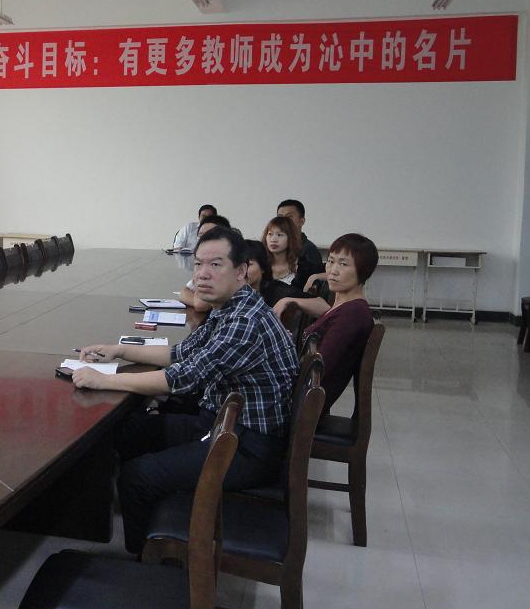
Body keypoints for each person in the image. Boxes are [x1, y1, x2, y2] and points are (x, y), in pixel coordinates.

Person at [74, 227, 298, 554]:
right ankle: (128, 514)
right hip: (222, 425)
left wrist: (104, 381)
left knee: (137, 476)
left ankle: (147, 561)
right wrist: (118, 350)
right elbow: (180, 353)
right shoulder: (231, 307)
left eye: (216, 265)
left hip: (247, 447)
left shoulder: (245, 322)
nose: (202, 274)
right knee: (129, 429)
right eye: (198, 264)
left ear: (241, 271)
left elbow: (181, 378)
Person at [274, 233, 378, 414]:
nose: (333, 270)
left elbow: (317, 368)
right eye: (330, 261)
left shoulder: (352, 314)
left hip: (298, 408)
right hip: (299, 399)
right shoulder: (345, 307)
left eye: (343, 264)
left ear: (364, 270)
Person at [277, 199, 324, 276]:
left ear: (301, 221)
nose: (284, 221)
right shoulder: (273, 246)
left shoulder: (309, 251)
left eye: (289, 217)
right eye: (280, 217)